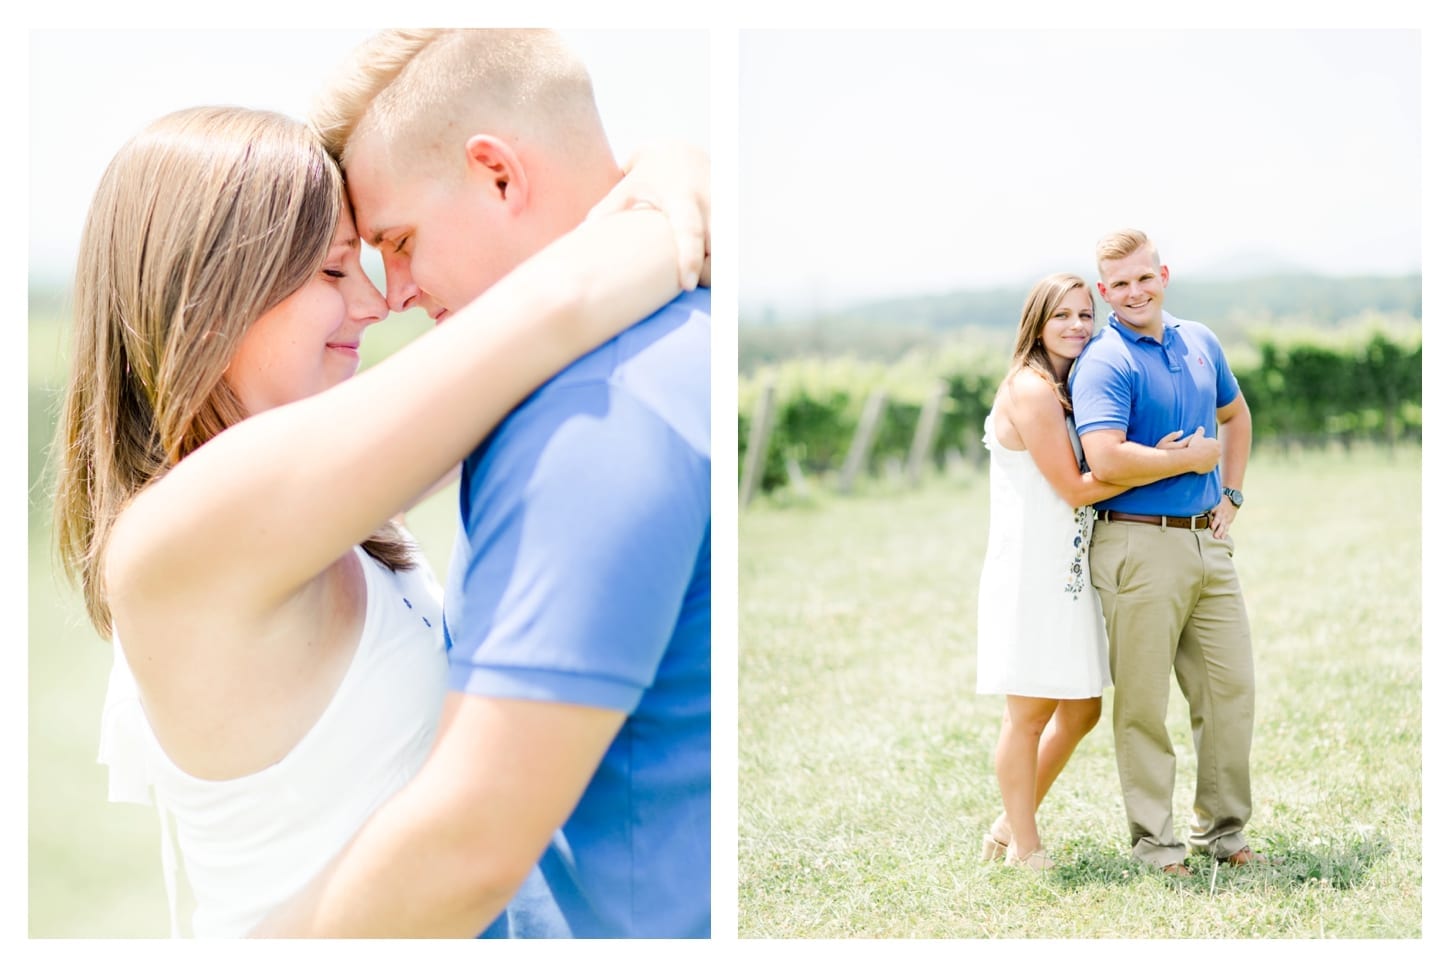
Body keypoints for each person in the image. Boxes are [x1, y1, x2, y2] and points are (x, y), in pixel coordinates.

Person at [56, 103, 706, 938]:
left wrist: (665, 163)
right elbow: (555, 309)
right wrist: (670, 194)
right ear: (208, 301)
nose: (373, 301)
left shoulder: (298, 512)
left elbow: (521, 354)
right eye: (333, 274)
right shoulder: (191, 531)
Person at [252, 29, 711, 938]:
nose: (399, 292)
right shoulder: (669, 339)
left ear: (498, 174)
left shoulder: (590, 413)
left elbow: (469, 839)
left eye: (400, 241)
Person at [975, 273, 1220, 870]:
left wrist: (1142, 460)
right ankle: (1024, 847)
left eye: (1086, 315)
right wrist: (1175, 461)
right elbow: (1077, 488)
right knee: (1029, 714)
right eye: (1062, 316)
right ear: (1036, 323)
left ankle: (1011, 822)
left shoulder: (1065, 386)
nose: (1078, 327)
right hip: (1033, 568)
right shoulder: (1031, 390)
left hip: (1069, 569)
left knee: (1081, 709)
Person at [1069, 229, 1263, 876]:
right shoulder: (1105, 359)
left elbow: (1236, 416)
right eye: (1118, 283)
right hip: (1135, 544)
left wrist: (1230, 490)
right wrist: (1184, 458)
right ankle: (1157, 846)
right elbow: (1104, 456)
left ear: (1163, 275)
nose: (1133, 291)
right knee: (1144, 704)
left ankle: (1226, 833)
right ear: (1104, 291)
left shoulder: (1201, 340)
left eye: (1143, 277)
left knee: (1231, 691)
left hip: (1208, 544)